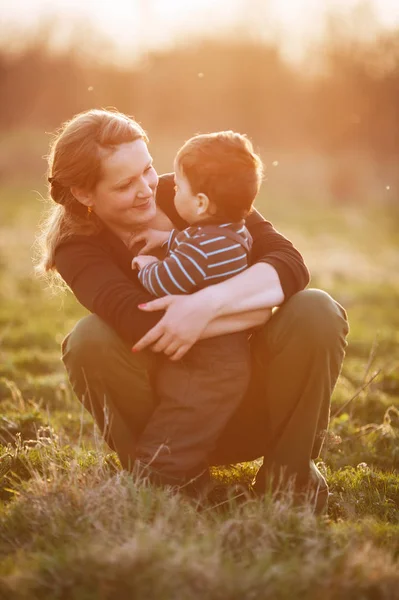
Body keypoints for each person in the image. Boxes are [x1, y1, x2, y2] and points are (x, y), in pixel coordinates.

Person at [37, 108, 349, 513]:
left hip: (256, 397)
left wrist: (206, 305)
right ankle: (168, 483)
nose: (147, 189)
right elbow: (140, 319)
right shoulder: (78, 248)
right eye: (125, 184)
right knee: (87, 340)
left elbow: (289, 264)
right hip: (171, 417)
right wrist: (255, 307)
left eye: (147, 170)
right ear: (84, 194)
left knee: (316, 310)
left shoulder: (194, 192)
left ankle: (288, 482)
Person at [130, 131, 258, 486]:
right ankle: (182, 473)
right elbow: (196, 243)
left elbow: (165, 281)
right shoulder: (234, 231)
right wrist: (167, 239)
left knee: (182, 419)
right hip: (226, 356)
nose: (171, 192)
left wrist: (144, 263)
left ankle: (159, 479)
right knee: (188, 416)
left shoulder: (200, 249)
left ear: (201, 204)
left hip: (207, 362)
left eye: (179, 189)